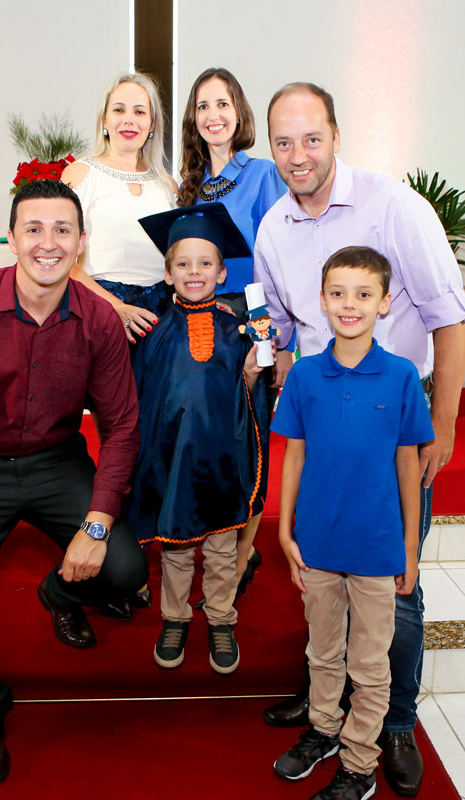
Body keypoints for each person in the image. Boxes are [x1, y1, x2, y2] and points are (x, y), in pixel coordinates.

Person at [254, 82, 465, 797]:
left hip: (392, 425)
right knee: (323, 580)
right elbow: (281, 325)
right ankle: (327, 712)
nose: (298, 155)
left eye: (311, 138)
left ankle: (395, 723)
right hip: (324, 421)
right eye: (283, 142)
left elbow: (449, 317)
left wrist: (443, 427)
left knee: (394, 588)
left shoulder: (395, 207)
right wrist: (273, 370)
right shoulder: (274, 228)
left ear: (336, 136)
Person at [0, 179, 148, 785]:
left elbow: (122, 427)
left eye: (62, 230)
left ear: (81, 242)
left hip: (54, 461)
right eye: (34, 229)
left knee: (124, 568)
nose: (48, 243)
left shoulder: (97, 319)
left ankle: (59, 594)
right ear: (11, 239)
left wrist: (97, 524)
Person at [271, 247, 433, 800]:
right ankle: (323, 729)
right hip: (317, 541)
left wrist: (409, 549)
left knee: (369, 663)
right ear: (321, 300)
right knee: (322, 650)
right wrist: (285, 530)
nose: (349, 304)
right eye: (338, 293)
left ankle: (361, 761)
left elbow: (408, 467)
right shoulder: (305, 375)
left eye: (364, 294)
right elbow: (294, 455)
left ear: (384, 303)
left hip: (376, 546)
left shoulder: (402, 376)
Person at [129, 203, 267, 675]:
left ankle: (221, 618)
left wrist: (253, 371)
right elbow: (143, 396)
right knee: (176, 548)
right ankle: (175, 617)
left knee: (223, 552)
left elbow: (245, 395)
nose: (194, 272)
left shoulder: (238, 330)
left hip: (222, 458)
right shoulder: (152, 331)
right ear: (168, 274)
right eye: (183, 264)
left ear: (222, 272)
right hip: (172, 460)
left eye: (205, 263)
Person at [176, 66, 286, 595]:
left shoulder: (263, 175)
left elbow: (276, 263)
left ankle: (242, 557)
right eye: (203, 106)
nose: (213, 115)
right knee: (212, 438)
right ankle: (219, 543)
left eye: (222, 104)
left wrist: (269, 342)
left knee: (251, 437)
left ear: (239, 113)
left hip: (249, 318)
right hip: (200, 323)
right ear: (193, 119)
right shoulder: (188, 185)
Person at [62, 71, 177, 344]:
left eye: (139, 111)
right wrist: (116, 307)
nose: (129, 119)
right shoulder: (81, 174)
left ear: (152, 124)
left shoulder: (167, 185)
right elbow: (63, 258)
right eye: (119, 109)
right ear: (104, 119)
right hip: (99, 311)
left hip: (161, 319)